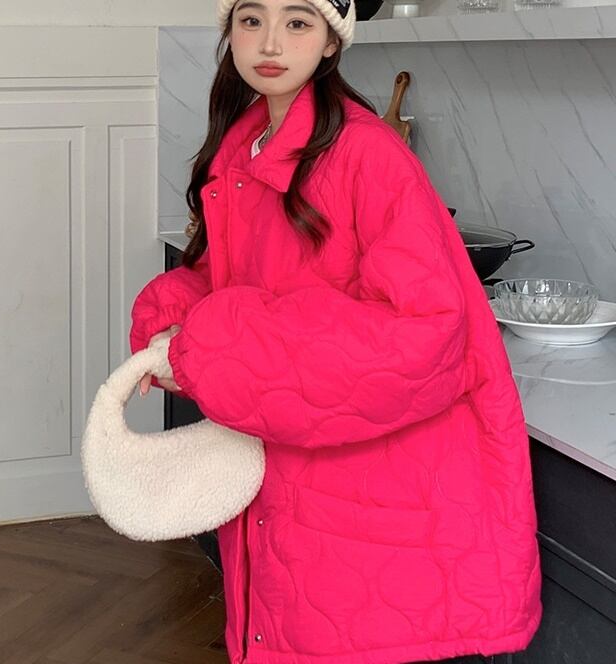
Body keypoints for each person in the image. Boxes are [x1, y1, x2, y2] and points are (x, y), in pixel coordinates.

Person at [128, 0, 543, 662]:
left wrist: (215, 347)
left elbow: (423, 334)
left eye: (298, 22)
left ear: (331, 42)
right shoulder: (246, 145)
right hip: (290, 475)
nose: (270, 42)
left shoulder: (368, 154)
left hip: (370, 490)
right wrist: (169, 318)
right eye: (251, 19)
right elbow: (227, 275)